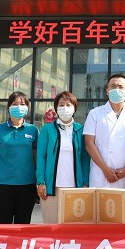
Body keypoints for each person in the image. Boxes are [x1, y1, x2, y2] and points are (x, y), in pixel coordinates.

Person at [36, 91, 90, 224]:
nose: (65, 108)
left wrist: (85, 182)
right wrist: (41, 182)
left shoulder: (81, 130)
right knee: (51, 225)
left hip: (75, 187)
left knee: (73, 227)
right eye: (61, 104)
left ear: (74, 108)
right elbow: (41, 156)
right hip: (51, 187)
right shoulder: (47, 129)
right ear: (56, 108)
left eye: (68, 104)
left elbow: (85, 158)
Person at [0, 91, 39, 224]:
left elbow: (36, 159)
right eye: (15, 104)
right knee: (2, 223)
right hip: (3, 185)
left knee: (23, 224)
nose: (18, 107)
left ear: (27, 108)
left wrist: (39, 183)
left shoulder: (33, 130)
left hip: (27, 185)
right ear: (8, 107)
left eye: (22, 104)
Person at [84, 74, 125, 188]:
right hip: (100, 174)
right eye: (113, 86)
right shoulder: (95, 113)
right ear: (107, 91)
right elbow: (89, 144)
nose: (116, 90)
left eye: (120, 87)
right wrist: (105, 169)